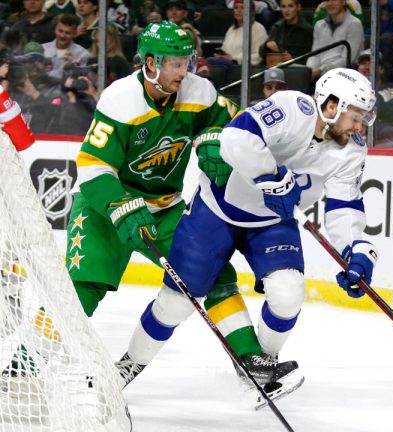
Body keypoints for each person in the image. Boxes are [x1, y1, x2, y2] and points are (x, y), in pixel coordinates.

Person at [118, 68, 379, 405]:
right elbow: (236, 136)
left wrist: (354, 249)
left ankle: (259, 370)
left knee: (288, 293)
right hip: (217, 210)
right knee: (177, 302)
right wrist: (268, 177)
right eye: (356, 116)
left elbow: (345, 204)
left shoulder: (351, 149)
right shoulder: (291, 107)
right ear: (330, 105)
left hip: (273, 220)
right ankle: (126, 366)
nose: (360, 127)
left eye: (364, 119)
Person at [59, 22, 265, 387]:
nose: (184, 71)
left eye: (187, 61)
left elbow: (230, 120)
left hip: (164, 206)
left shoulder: (198, 91)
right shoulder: (120, 98)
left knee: (214, 271)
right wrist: (120, 204)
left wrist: (214, 138)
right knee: (80, 289)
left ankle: (250, 360)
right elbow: (92, 166)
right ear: (151, 63)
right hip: (103, 207)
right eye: (175, 63)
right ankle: (25, 361)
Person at [305, 0, 363, 80]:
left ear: (343, 2)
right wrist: (309, 71)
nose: (331, 3)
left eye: (334, 0)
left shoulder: (355, 24)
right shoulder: (319, 25)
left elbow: (347, 60)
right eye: (328, 1)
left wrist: (320, 70)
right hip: (318, 74)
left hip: (343, 75)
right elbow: (314, 55)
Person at [211, 0, 268, 67]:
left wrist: (234, 58)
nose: (238, 11)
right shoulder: (232, 29)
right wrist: (221, 56)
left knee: (211, 61)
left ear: (251, 11)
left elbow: (259, 55)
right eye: (236, 7)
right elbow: (225, 50)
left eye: (242, 8)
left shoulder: (258, 28)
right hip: (228, 64)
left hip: (244, 67)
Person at [259, 0, 314, 67]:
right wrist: (266, 45)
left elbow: (313, 57)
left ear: (298, 7)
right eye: (283, 7)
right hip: (275, 67)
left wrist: (293, 59)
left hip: (296, 69)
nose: (286, 10)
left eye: (290, 6)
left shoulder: (307, 30)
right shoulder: (277, 27)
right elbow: (261, 53)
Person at [42, 13, 91, 80]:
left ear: (74, 34)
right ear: (55, 29)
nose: (62, 36)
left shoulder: (83, 54)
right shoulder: (43, 49)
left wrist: (71, 66)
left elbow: (81, 81)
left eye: (67, 33)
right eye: (60, 31)